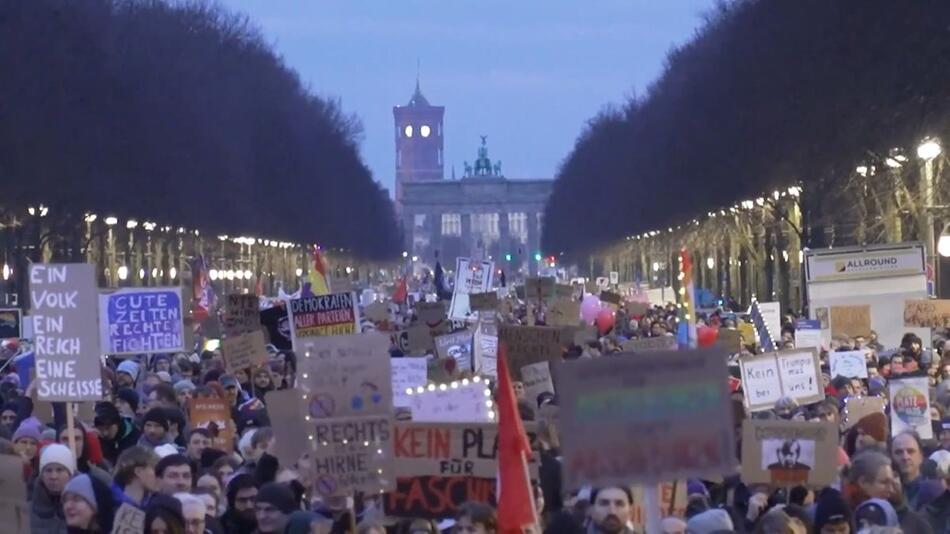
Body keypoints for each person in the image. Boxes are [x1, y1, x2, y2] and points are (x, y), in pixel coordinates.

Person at [30, 443, 76, 534]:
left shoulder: (85, 511)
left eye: (60, 470)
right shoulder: (28, 510)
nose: (53, 476)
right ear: (41, 475)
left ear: (70, 474)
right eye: (48, 470)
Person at [113, 445, 160, 509]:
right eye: (155, 469)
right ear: (138, 472)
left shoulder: (156, 504)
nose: (160, 475)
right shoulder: (109, 501)